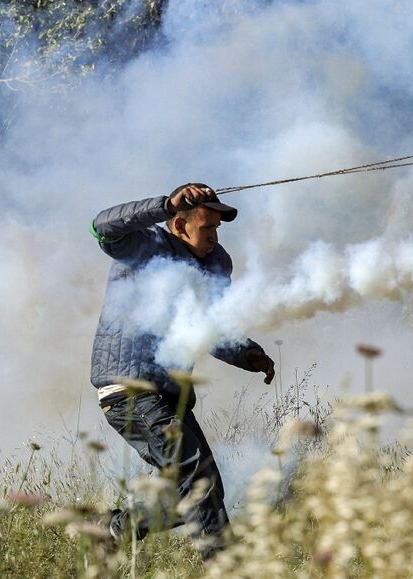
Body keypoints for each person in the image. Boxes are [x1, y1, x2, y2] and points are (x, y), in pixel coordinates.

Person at [89, 183, 275, 554]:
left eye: (217, 229)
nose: (214, 236)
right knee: (196, 481)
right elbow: (100, 227)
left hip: (171, 395)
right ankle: (220, 565)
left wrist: (248, 354)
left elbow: (210, 327)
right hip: (128, 390)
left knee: (206, 489)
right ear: (178, 224)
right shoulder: (142, 246)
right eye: (207, 228)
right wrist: (163, 205)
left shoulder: (217, 263)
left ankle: (113, 529)